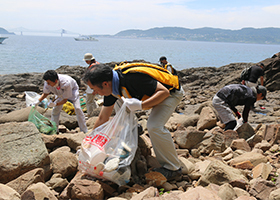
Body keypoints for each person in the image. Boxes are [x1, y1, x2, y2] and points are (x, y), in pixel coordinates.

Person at [82, 62, 184, 181]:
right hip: (148, 94)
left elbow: (164, 92)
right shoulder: (111, 87)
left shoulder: (133, 79)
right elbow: (102, 117)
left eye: (94, 89)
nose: (94, 93)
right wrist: (91, 141)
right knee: (122, 116)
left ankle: (173, 168)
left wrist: (141, 105)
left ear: (105, 84)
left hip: (170, 93)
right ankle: (133, 128)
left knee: (154, 126)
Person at [83, 53, 100, 117]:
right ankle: (97, 111)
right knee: (92, 100)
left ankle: (90, 114)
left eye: (86, 60)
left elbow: (91, 77)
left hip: (92, 85)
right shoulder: (98, 64)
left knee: (89, 101)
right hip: (97, 85)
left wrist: (93, 89)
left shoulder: (92, 67)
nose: (86, 62)